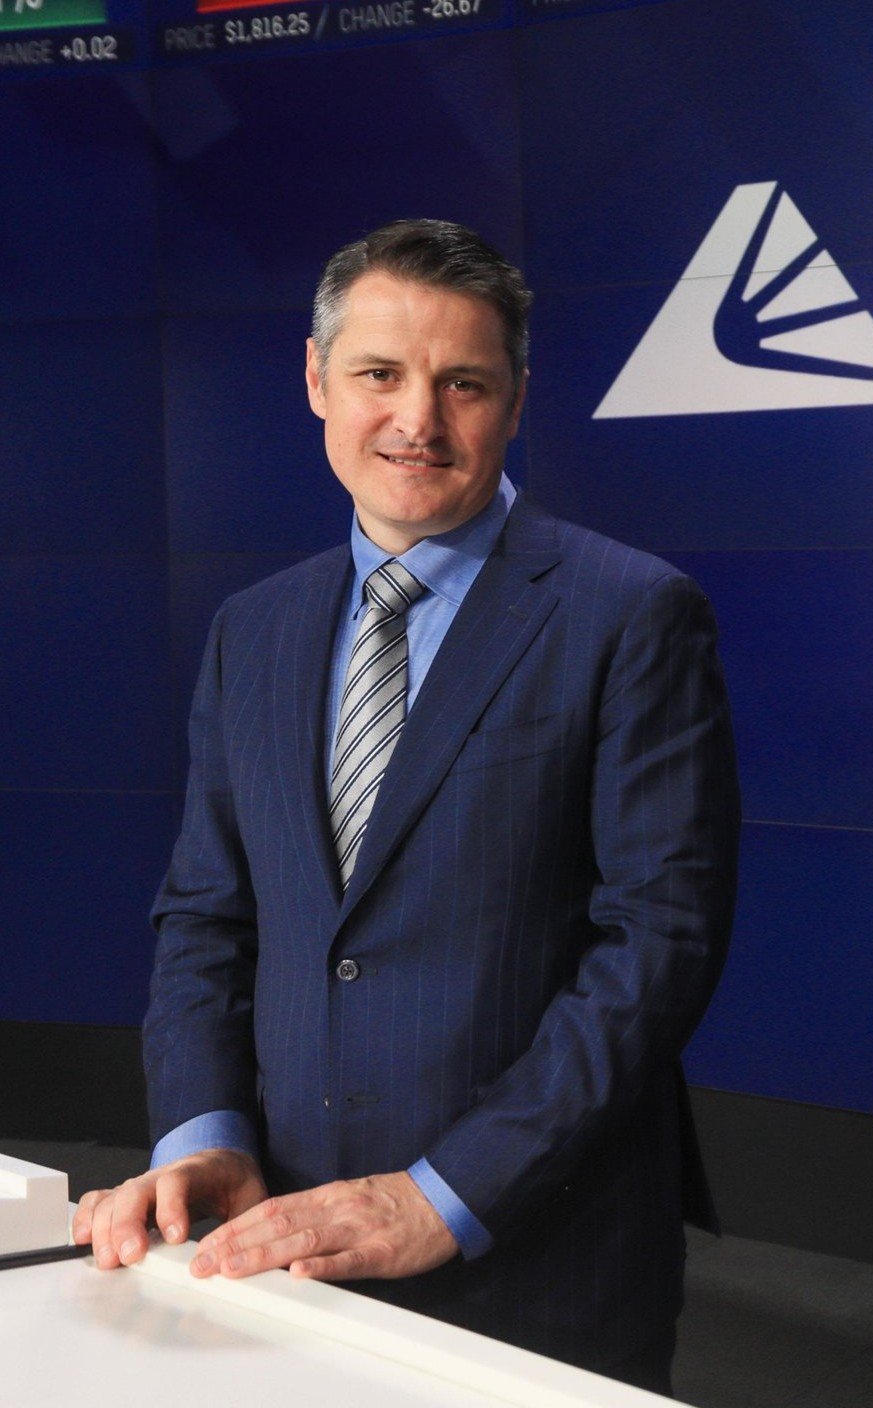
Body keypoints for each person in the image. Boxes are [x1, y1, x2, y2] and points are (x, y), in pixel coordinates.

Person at [70, 219, 739, 1391]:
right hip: (276, 1245)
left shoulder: (631, 613)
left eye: (463, 383)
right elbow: (205, 921)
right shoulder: (253, 630)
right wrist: (205, 1135)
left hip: (534, 1259)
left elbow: (658, 945)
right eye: (380, 374)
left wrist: (445, 1196)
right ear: (318, 382)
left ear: (517, 401)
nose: (417, 421)